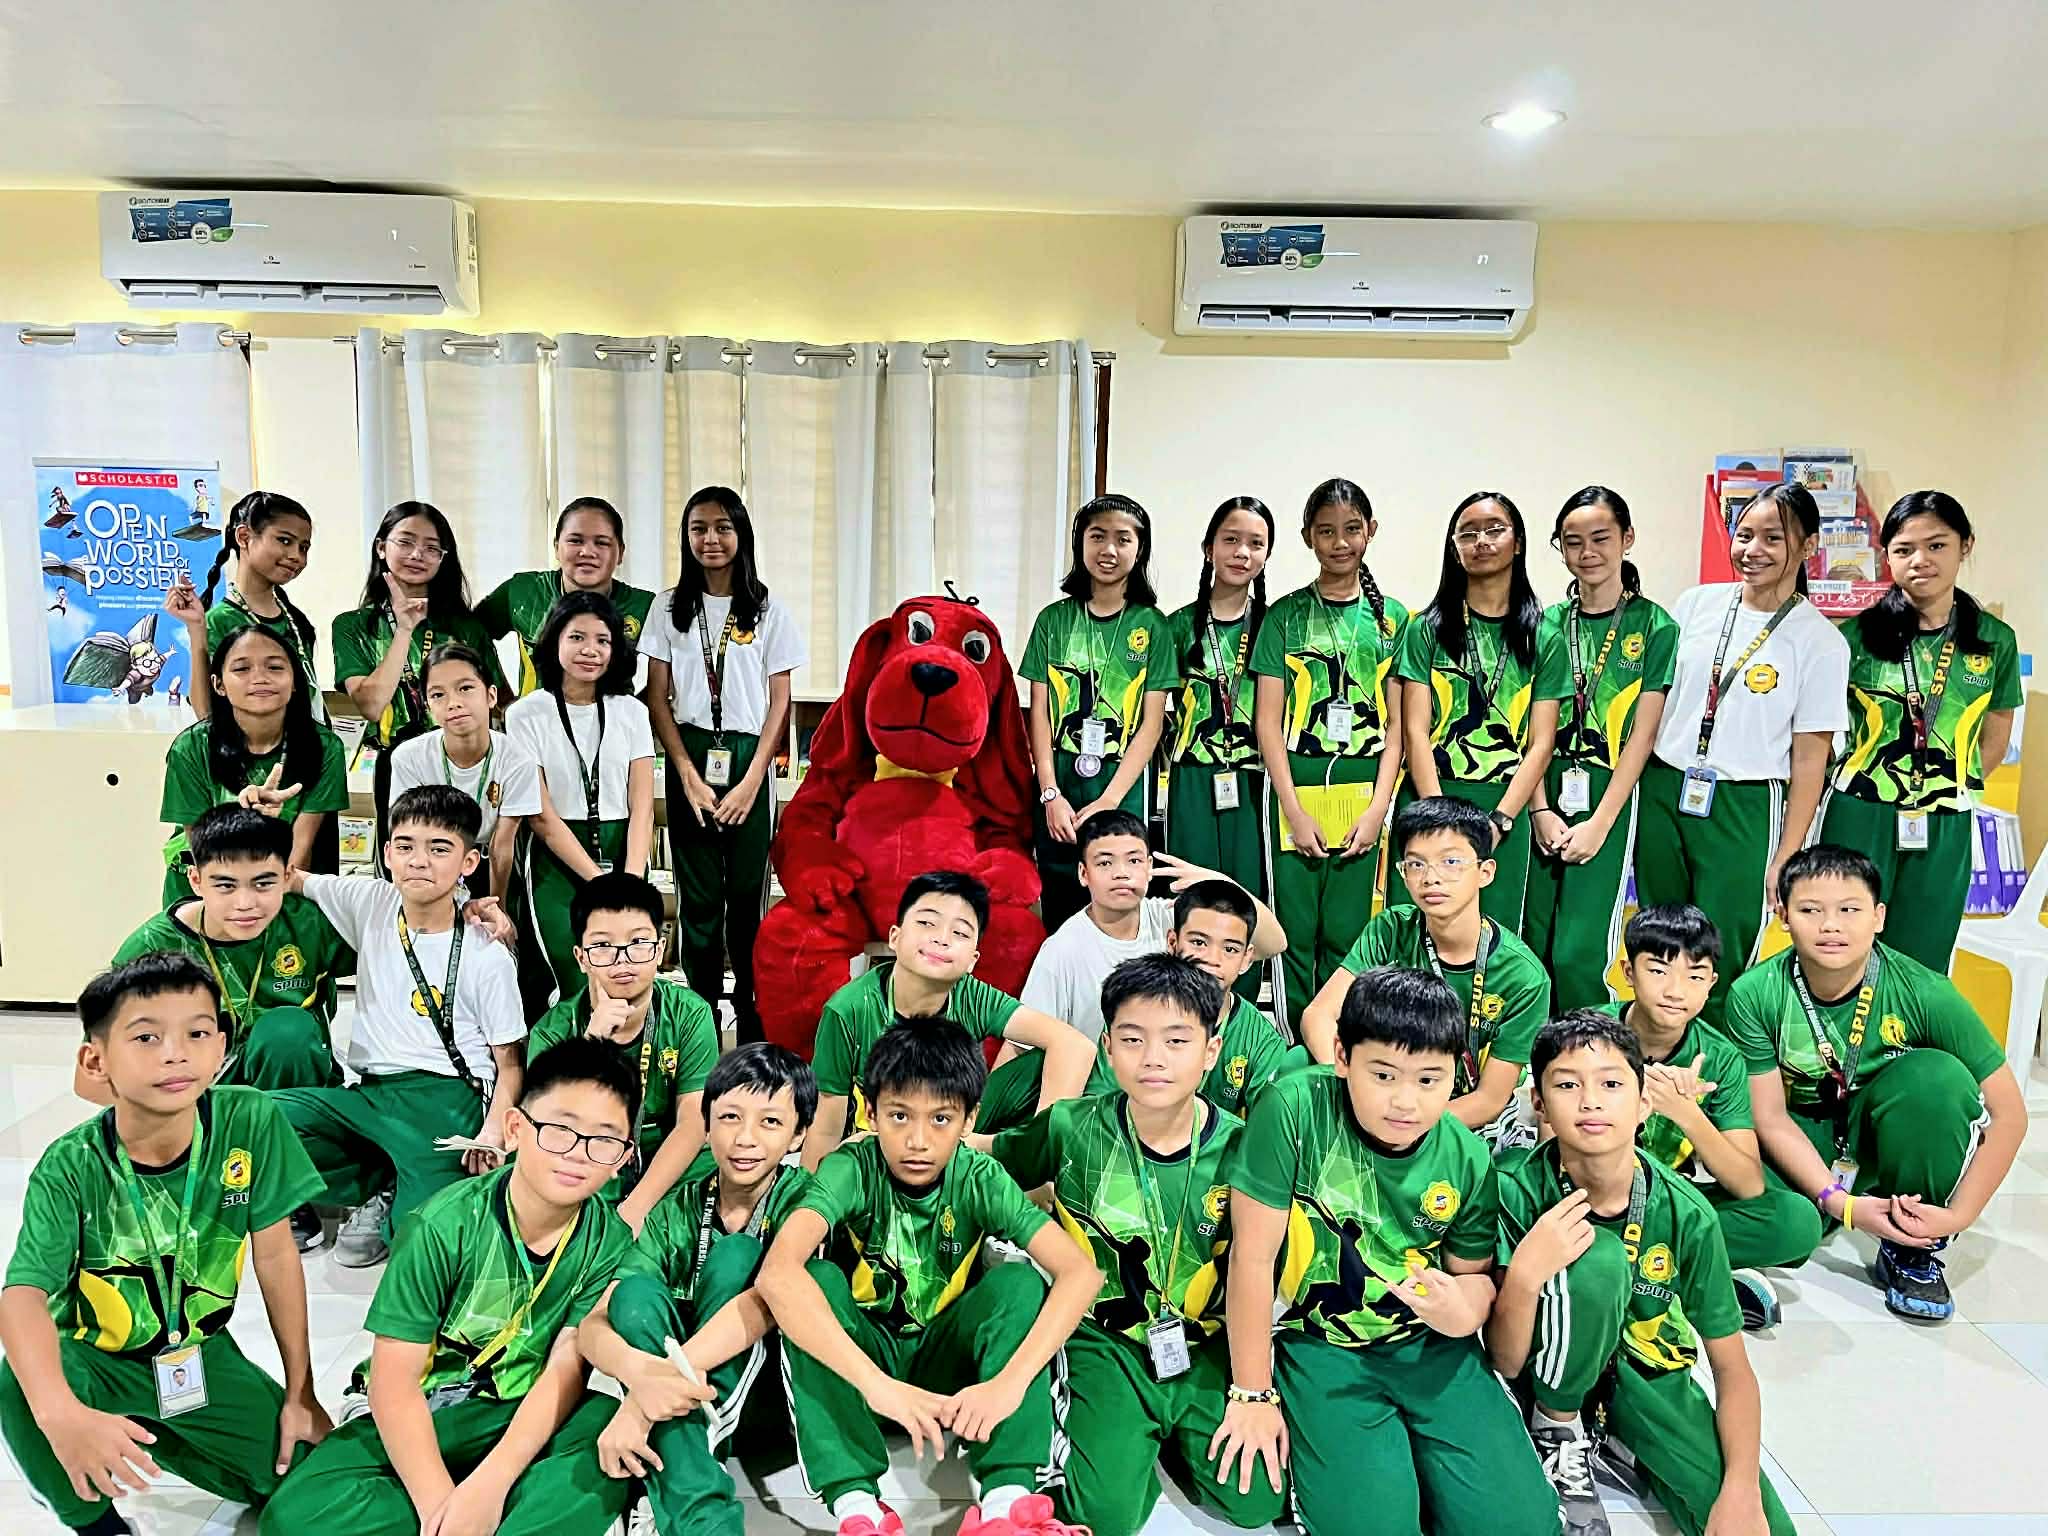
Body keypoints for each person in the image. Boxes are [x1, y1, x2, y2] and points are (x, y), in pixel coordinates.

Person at [258, 1039, 650, 1536]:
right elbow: (394, 1383)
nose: (578, 1153)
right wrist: (440, 1504)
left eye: (604, 1140)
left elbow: (564, 1370)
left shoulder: (607, 1240)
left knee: (602, 1427)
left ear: (623, 1157)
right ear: (515, 1128)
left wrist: (489, 1485)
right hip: (427, 1408)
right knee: (293, 1518)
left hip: (521, 1413)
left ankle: (497, 1507)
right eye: (560, 1130)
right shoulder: (442, 1224)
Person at [1218, 967, 1557, 1536]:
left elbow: (1473, 1278)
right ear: (1342, 1056)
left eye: (1429, 1080)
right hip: (1320, 1343)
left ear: (1455, 1075)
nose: (1405, 1101)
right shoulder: (1293, 1110)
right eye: (1383, 1074)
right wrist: (1252, 1391)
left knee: (1519, 1525)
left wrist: (1463, 1310)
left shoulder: (1466, 1158)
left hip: (1428, 1343)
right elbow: (1250, 1259)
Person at [0, 954, 328, 1535]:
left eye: (197, 1033)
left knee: (309, 1478)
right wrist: (60, 1414)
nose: (176, 1054)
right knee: (19, 1382)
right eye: (146, 1037)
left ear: (221, 1046)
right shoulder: (71, 1165)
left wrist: (300, 1393)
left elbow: (277, 1255)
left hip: (199, 1356)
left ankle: (161, 1433)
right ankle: (97, 1525)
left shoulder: (248, 1120)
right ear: (96, 1061)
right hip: (97, 1360)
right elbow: (22, 1294)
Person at [758, 1020, 1101, 1536]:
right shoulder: (851, 1167)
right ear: (870, 1112)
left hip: (950, 1380)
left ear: (969, 1119)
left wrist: (1008, 1385)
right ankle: (859, 1509)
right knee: (815, 1279)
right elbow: (777, 1274)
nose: (918, 1141)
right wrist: (876, 1385)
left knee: (1019, 1284)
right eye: (899, 1116)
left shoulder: (979, 1176)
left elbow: (1080, 1273)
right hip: (864, 1369)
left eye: (940, 1119)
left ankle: (1007, 1505)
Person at [986, 955, 1288, 1536]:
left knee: (1256, 1502)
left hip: (1205, 1341)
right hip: (1105, 1341)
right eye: (1132, 1039)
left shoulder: (1245, 1149)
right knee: (1104, 1516)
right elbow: (992, 1161)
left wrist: (1253, 1392)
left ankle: (1155, 1436)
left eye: (1177, 1040)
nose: (1153, 1058)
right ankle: (1122, 1439)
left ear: (1211, 1050)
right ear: (1107, 1046)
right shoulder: (1070, 1126)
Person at [1488, 1011, 1793, 1536]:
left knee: (1758, 1524)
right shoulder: (1513, 1189)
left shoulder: (1686, 1212)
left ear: (1644, 1102)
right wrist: (1525, 1276)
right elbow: (1503, 1357)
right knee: (1599, 1262)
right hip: (1541, 1375)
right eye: (1567, 1085)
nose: (1591, 1101)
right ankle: (1558, 1431)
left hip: (1643, 1369)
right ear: (1538, 1102)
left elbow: (1733, 1369)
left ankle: (1621, 1439)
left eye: (1611, 1084)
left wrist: (1741, 1486)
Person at [1729, 844, 2025, 1321]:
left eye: (1849, 910)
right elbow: (1769, 1117)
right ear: (1783, 916)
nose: (1831, 926)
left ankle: (1911, 1243)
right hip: (1799, 1134)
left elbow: (2010, 1113)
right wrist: (1841, 1205)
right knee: (1785, 1221)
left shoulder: (1925, 991)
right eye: (1810, 910)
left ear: (1879, 917)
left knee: (1939, 1079)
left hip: (1878, 1132)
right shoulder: (1754, 993)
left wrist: (1959, 1215)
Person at [277, 786, 526, 1267]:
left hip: (448, 1102)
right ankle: (385, 1178)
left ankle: (401, 1188)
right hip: (372, 1095)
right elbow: (289, 877)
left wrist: (492, 1132)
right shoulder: (371, 901)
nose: (419, 861)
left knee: (421, 1245)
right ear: (388, 853)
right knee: (257, 1120)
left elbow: (511, 1064)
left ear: (469, 862)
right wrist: (265, 819)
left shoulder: (487, 953)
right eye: (406, 846)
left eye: (439, 849)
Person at [577, 1044, 818, 1536]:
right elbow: (595, 1323)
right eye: (729, 1117)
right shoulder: (678, 1207)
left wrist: (640, 1409)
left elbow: (768, 1305)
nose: (745, 1138)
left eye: (770, 1122)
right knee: (634, 1296)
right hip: (684, 1403)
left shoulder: (807, 1201)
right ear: (705, 1124)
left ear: (799, 1135)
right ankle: (694, 1491)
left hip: (769, 1401)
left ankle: (677, 1485)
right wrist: (640, 1379)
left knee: (739, 1259)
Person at [1635, 484, 1851, 1024]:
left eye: (1773, 538)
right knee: (1657, 932)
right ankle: (1653, 1049)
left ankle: (1713, 1059)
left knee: (1722, 944)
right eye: (1744, 535)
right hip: (1665, 786)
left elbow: (1811, 759)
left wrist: (1787, 853)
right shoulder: (1696, 604)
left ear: (1808, 546)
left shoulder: (1820, 642)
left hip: (1745, 803)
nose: (1753, 550)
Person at [1822, 491, 2023, 971]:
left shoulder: (1995, 641)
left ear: (1965, 546)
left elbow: (1995, 738)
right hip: (1861, 810)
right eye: (1904, 549)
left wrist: (1943, 787)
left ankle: (1903, 1026)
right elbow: (1822, 734)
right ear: (1887, 556)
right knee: (1840, 948)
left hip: (1945, 817)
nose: (1920, 560)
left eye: (1936, 545)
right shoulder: (1853, 638)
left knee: (1921, 957)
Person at [1605, 904, 1820, 1330]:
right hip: (1595, 1198)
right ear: (1628, 972)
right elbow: (1553, 1149)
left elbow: (1747, 1183)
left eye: (1695, 976)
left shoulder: (1720, 1058)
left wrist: (1687, 1114)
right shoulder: (1589, 1036)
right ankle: (1689, 1277)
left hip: (1668, 1204)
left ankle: (1649, 1272)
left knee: (1796, 1221)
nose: (1675, 990)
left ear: (1711, 985)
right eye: (1658, 970)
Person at [639, 487, 802, 1045]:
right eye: (699, 528)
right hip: (690, 754)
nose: (710, 539)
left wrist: (754, 781)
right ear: (686, 537)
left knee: (748, 897)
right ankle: (701, 1015)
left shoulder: (767, 608)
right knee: (699, 898)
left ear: (741, 535)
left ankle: (752, 1013)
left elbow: (780, 700)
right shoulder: (668, 608)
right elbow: (657, 696)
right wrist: (685, 773)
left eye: (722, 527)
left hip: (749, 757)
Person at [1301, 797, 1550, 1149]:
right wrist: (1361, 1095)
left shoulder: (1524, 977)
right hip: (1380, 1096)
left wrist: (1401, 1123)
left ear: (1485, 872)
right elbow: (1318, 1016)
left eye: (1451, 862)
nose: (1431, 878)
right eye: (1416, 864)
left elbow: (1489, 1100)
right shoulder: (1391, 930)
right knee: (1298, 1065)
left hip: (1460, 1116)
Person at [1251, 478, 1409, 1030]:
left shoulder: (1395, 620)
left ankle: (1340, 1041)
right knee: (1294, 933)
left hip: (1364, 783)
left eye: (1351, 529)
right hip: (1297, 781)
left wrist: (1378, 809)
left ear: (1371, 531)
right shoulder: (1284, 616)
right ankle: (1293, 1042)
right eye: (1325, 532)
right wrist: (1292, 810)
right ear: (1307, 537)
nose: (1339, 543)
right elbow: (1267, 723)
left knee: (1347, 932)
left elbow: (1398, 728)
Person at [807, 870, 1097, 1166]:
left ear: (973, 960)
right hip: (885, 1144)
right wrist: (811, 1191)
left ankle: (1028, 1163)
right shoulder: (849, 1010)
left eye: (959, 933)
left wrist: (1039, 1150)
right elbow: (826, 1126)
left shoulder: (971, 994)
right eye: (926, 923)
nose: (941, 939)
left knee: (1073, 1068)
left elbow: (1076, 1046)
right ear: (895, 936)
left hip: (958, 1126)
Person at [1524, 487, 1679, 1006]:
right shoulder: (1545, 622)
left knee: (1578, 953)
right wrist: (1539, 809)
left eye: (1601, 538)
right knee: (1533, 942)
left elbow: (1644, 735)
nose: (1587, 552)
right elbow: (1532, 729)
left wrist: (1601, 822)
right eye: (1573, 542)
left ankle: (1589, 1046)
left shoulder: (1655, 626)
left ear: (1627, 539)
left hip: (1611, 789)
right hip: (1541, 784)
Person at [1398, 491, 1566, 934]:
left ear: (1518, 542)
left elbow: (1542, 743)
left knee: (1493, 936)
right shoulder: (1426, 628)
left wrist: (1500, 821)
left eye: (1494, 530)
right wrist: (1438, 816)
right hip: (1429, 797)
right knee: (1417, 935)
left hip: (1502, 806)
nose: (1482, 541)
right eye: (1468, 534)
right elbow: (1415, 731)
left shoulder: (1545, 635)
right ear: (1454, 548)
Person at [1022, 493, 1181, 933]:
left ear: (1140, 549)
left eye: (1123, 539)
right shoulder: (1053, 621)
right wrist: (1050, 793)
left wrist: (1110, 800)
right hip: (1060, 779)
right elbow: (1039, 715)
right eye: (1097, 537)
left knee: (1117, 898)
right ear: (1081, 544)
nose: (1109, 549)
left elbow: (1152, 724)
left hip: (1122, 781)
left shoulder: (1153, 625)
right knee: (1060, 902)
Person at [525, 872, 720, 1228]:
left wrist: (637, 1207)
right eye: (602, 946)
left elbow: (693, 1121)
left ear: (659, 950)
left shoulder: (689, 1013)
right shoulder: (553, 1032)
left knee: (720, 1165)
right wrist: (591, 1044)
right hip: (590, 1155)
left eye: (638, 942)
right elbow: (553, 1132)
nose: (622, 960)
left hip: (668, 1156)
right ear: (581, 958)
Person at [112, 803, 350, 1095]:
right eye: (226, 886)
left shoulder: (309, 924)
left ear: (288, 877)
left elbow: (390, 949)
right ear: (196, 881)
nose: (245, 904)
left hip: (290, 1083)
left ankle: (290, 1120)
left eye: (263, 883)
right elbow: (111, 1056)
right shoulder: (152, 947)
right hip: (195, 1089)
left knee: (288, 1031)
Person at [1020, 810, 1285, 1050]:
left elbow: (1274, 944)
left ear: (1149, 867)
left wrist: (1220, 882)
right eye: (1105, 863)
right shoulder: (1062, 950)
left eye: (1133, 861)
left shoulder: (1170, 916)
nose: (1121, 873)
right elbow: (1023, 1044)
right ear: (1083, 873)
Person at [507, 591, 658, 1014]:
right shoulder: (525, 714)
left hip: (623, 849)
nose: (590, 650)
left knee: (623, 975)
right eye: (577, 637)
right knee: (574, 977)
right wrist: (599, 882)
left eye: (602, 640)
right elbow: (540, 816)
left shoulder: (631, 711)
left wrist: (629, 881)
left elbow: (642, 806)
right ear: (554, 640)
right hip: (556, 858)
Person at [332, 502, 504, 854]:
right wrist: (404, 629)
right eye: (406, 542)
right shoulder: (353, 626)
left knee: (471, 860)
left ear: (443, 559)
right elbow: (371, 704)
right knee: (411, 867)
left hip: (466, 758)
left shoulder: (465, 627)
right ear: (381, 547)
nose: (417, 555)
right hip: (398, 762)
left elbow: (497, 702)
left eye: (431, 548)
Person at [1163, 496, 1274, 1002]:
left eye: (1256, 543)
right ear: (1209, 548)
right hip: (1191, 776)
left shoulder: (1274, 625)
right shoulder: (1175, 626)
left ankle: (1239, 1008)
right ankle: (1187, 1001)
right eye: (1231, 540)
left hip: (1254, 777)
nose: (1242, 553)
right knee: (1192, 892)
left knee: (1246, 893)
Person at [158, 624, 349, 905]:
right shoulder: (191, 748)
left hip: (284, 886)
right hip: (203, 892)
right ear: (219, 685)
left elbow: (301, 848)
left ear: (295, 681)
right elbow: (200, 846)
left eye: (275, 668)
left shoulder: (324, 747)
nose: (260, 678)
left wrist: (266, 906)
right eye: (242, 669)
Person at [1082, 880, 1296, 1117]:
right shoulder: (1132, 1016)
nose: (1212, 959)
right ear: (1172, 943)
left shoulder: (1262, 1040)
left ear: (1246, 959)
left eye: (1230, 949)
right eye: (1198, 943)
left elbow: (1269, 1125)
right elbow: (1097, 1113)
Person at [387, 641, 542, 903]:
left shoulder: (518, 759)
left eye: (466, 688)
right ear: (427, 705)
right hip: (431, 860)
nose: (453, 703)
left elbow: (502, 845)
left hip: (490, 865)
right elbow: (410, 835)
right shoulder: (409, 757)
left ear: (491, 696)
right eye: (438, 695)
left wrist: (497, 906)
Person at [478, 495, 657, 697]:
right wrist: (500, 697)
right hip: (536, 716)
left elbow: (675, 668)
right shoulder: (521, 591)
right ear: (556, 547)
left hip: (613, 718)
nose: (587, 552)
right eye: (575, 540)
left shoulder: (645, 606)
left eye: (601, 542)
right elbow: (469, 636)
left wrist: (641, 708)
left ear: (621, 552)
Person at [198, 490, 325, 724]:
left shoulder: (296, 621)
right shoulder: (219, 621)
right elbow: (206, 713)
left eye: (303, 548)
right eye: (284, 541)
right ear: (244, 537)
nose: (296, 556)